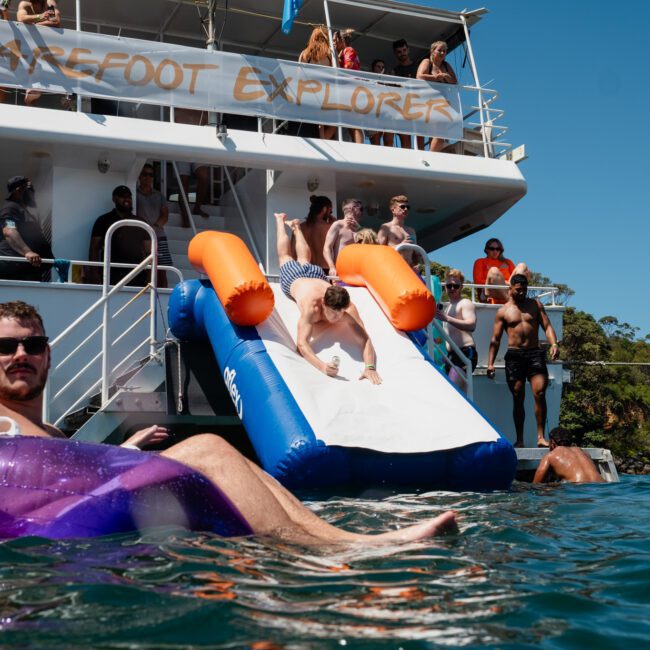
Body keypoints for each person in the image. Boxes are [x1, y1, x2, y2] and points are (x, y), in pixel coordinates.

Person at [0, 300, 457, 543]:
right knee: (209, 450)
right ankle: (331, 551)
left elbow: (69, 475)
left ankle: (336, 536)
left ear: (48, 355)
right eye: (6, 347)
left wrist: (129, 452)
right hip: (45, 528)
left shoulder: (56, 434)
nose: (21, 355)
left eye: (32, 344)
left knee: (240, 466)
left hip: (76, 517)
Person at [276, 213, 381, 384]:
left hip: (318, 276)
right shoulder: (312, 308)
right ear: (324, 303)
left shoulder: (346, 310)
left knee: (305, 259)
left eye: (340, 313)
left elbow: (365, 338)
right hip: (295, 279)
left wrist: (369, 367)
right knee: (285, 257)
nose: (338, 318)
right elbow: (302, 344)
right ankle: (280, 221)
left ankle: (296, 228)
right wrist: (322, 366)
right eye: (333, 313)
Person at [487, 274, 560, 448]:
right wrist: (490, 364)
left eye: (525, 290)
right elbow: (495, 339)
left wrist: (554, 343)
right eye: (518, 290)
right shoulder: (503, 311)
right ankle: (519, 439)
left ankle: (541, 437)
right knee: (518, 395)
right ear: (510, 289)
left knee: (540, 392)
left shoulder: (535, 305)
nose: (522, 293)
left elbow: (547, 326)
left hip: (534, 354)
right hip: (514, 356)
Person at [86, 186, 150, 287]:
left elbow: (149, 252)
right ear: (114, 199)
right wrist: (94, 273)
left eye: (129, 197)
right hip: (110, 275)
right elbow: (94, 249)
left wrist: (150, 276)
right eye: (122, 197)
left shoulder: (140, 222)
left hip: (137, 276)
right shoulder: (102, 220)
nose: (126, 199)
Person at [0, 176, 54, 281]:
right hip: (13, 271)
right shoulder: (10, 208)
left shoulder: (23, 210)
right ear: (18, 190)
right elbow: (9, 231)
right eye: (29, 188)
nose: (32, 192)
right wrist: (27, 252)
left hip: (28, 271)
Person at [17, 1, 61, 107]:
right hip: (29, 46)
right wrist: (40, 17)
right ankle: (30, 100)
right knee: (35, 71)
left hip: (48, 47)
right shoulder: (25, 4)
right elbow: (21, 18)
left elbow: (56, 21)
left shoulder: (49, 3)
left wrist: (35, 24)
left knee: (41, 74)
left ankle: (32, 99)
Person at [416, 41, 458, 152]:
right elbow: (419, 76)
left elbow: (455, 82)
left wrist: (448, 78)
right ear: (432, 51)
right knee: (423, 131)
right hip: (426, 101)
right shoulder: (427, 62)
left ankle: (431, 155)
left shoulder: (446, 66)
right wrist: (436, 77)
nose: (442, 53)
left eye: (444, 51)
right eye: (440, 50)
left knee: (439, 132)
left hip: (442, 103)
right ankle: (421, 155)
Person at [436, 269, 477, 377]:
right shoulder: (448, 308)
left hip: (465, 353)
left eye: (456, 286)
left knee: (453, 387)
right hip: (450, 356)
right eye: (449, 286)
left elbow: (471, 325)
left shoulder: (465, 303)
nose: (452, 288)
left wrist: (447, 318)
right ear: (445, 287)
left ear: (461, 287)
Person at [136, 163, 172, 288]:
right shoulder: (134, 194)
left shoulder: (159, 195)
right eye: (144, 174)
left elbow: (165, 215)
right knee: (146, 270)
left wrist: (154, 228)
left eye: (150, 175)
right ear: (139, 176)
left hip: (159, 237)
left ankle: (163, 299)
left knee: (162, 270)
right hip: (141, 238)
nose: (148, 177)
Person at [173, 109, 211, 224]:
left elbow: (207, 122)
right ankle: (185, 213)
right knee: (184, 179)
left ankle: (197, 208)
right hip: (181, 145)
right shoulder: (176, 103)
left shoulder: (204, 105)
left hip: (199, 145)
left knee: (204, 176)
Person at [299, 26, 336, 141]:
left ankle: (321, 139)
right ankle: (324, 139)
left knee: (318, 120)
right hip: (326, 90)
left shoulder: (305, 54)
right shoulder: (330, 54)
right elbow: (337, 72)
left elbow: (299, 75)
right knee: (333, 121)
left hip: (310, 90)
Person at [533, 428, 604, 484]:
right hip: (602, 486)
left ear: (552, 443)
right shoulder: (584, 453)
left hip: (580, 489)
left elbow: (536, 484)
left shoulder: (550, 455)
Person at [472, 237, 528, 304]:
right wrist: (502, 282)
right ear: (487, 250)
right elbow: (477, 282)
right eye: (492, 249)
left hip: (508, 290)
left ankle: (516, 295)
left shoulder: (508, 262)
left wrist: (506, 284)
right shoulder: (480, 261)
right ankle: (511, 301)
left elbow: (517, 278)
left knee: (522, 266)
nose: (495, 251)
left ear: (501, 250)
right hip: (488, 292)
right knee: (493, 270)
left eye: (498, 249)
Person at [333, 29, 364, 145]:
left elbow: (347, 68)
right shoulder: (343, 52)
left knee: (354, 123)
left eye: (335, 40)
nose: (334, 43)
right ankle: (356, 145)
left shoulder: (348, 50)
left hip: (352, 89)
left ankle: (359, 146)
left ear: (341, 40)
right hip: (349, 89)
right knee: (351, 123)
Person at [290, 195, 335, 273]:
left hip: (304, 270)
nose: (330, 214)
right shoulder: (330, 227)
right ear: (324, 209)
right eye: (330, 211)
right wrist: (335, 224)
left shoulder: (299, 228)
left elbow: (292, 253)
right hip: (325, 271)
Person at [391, 39, 421, 149]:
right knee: (405, 138)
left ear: (408, 50)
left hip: (419, 105)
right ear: (395, 54)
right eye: (399, 52)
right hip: (403, 107)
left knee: (420, 135)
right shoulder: (395, 71)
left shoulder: (418, 67)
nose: (402, 53)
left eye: (404, 50)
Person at [323, 198, 363, 277]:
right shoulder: (338, 225)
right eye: (361, 209)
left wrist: (360, 229)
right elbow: (327, 248)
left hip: (357, 273)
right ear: (353, 208)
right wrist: (331, 267)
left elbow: (372, 246)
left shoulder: (360, 229)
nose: (362, 212)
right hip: (341, 272)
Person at [378, 195, 417, 267]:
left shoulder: (411, 231)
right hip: (393, 269)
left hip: (409, 270)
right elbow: (378, 251)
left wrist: (416, 265)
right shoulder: (386, 227)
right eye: (402, 207)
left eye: (408, 207)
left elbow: (415, 254)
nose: (405, 209)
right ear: (393, 210)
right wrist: (400, 245)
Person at [368, 60, 394, 147]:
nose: (380, 69)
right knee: (376, 142)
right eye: (378, 66)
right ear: (373, 68)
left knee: (389, 141)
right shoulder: (368, 80)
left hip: (386, 112)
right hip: (373, 113)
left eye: (382, 67)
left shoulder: (387, 82)